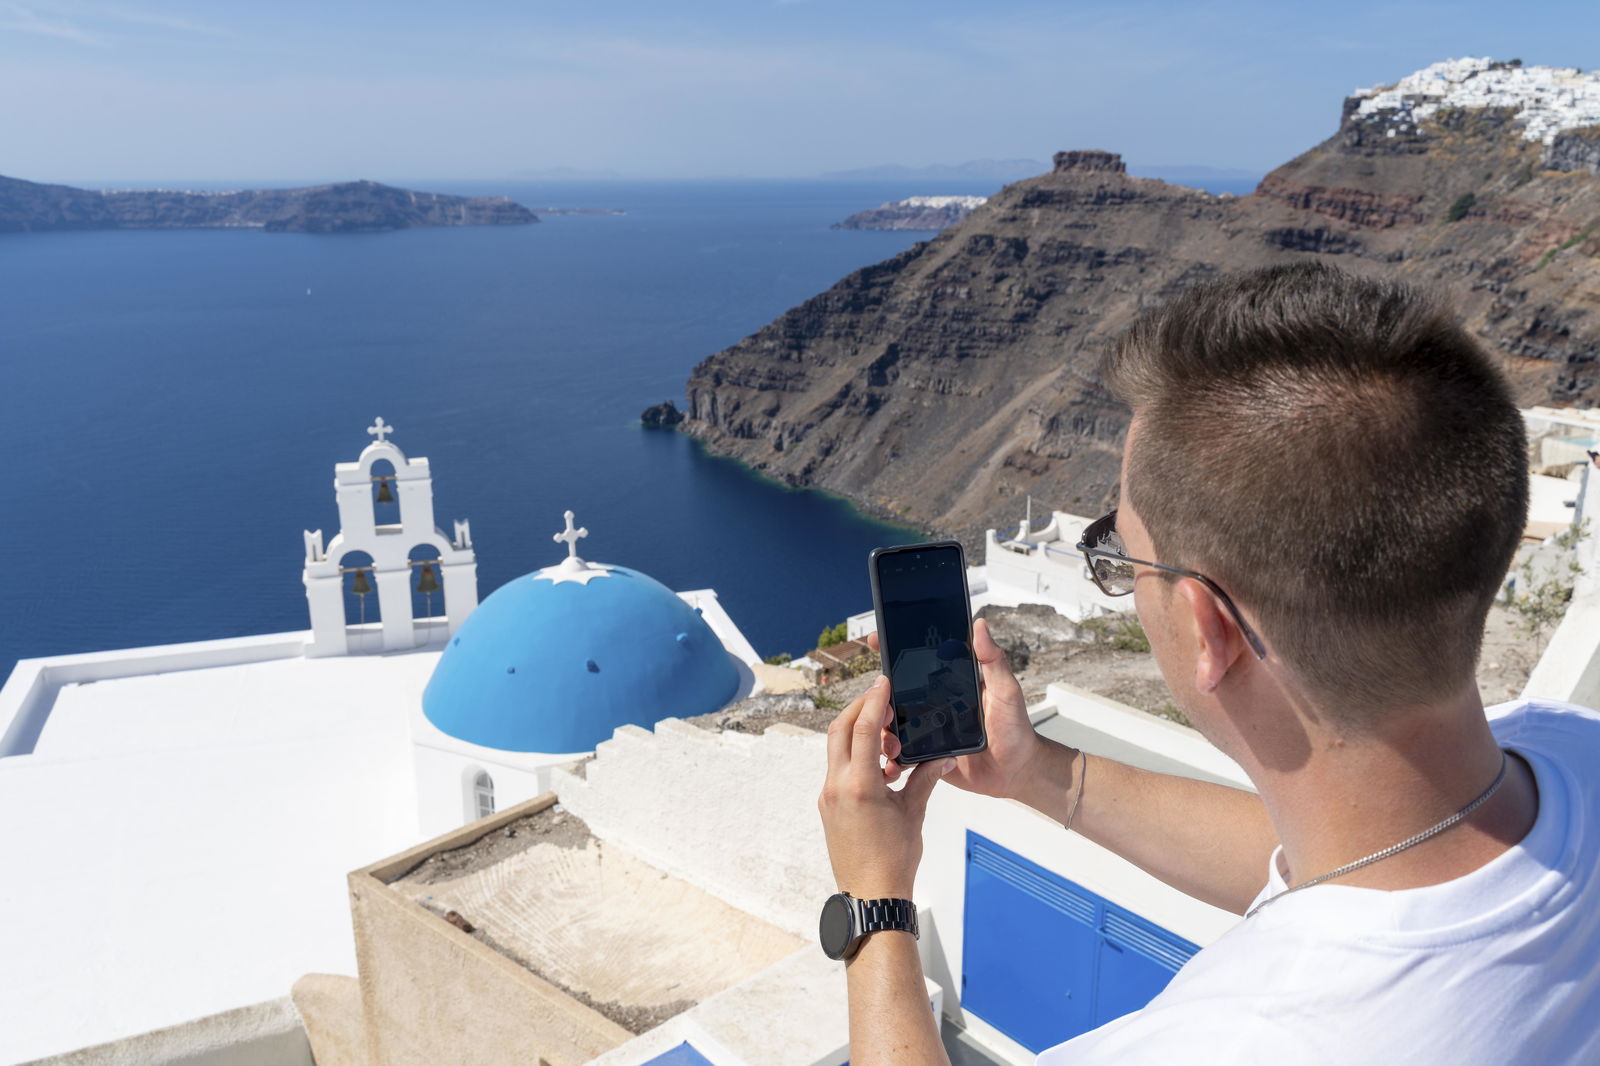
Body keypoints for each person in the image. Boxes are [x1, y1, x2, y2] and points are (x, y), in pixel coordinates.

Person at [817, 262, 1600, 1064]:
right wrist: (1037, 771)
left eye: (1123, 555)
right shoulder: (1569, 749)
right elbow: (1344, 859)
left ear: (1208, 628)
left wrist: (874, 901)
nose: (1122, 578)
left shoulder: (1242, 1040)